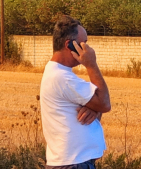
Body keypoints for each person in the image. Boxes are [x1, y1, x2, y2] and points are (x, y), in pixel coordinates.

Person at [40, 15, 111, 169]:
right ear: (68, 45)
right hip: (73, 163)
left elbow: (99, 106)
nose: (87, 49)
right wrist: (91, 65)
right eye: (83, 44)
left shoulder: (58, 73)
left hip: (73, 162)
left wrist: (94, 108)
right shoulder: (63, 77)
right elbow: (104, 103)